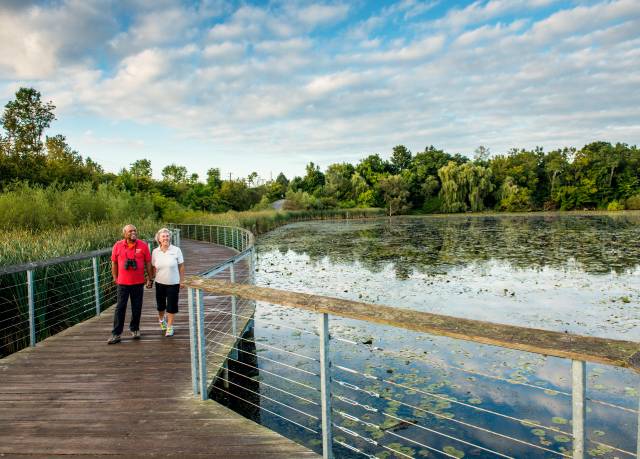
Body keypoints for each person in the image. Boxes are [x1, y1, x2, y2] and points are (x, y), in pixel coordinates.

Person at [108, 224, 152, 344]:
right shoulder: (117, 245)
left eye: (135, 230)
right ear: (124, 233)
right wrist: (115, 277)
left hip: (138, 282)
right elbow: (114, 263)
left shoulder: (143, 245)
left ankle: (135, 328)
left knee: (137, 307)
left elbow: (148, 262)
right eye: (130, 231)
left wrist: (149, 278)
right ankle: (116, 333)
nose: (133, 232)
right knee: (120, 307)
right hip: (123, 283)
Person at [151, 228, 184, 337]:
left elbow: (181, 266)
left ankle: (169, 327)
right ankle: (161, 320)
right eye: (163, 236)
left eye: (167, 236)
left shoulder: (176, 250)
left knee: (171, 305)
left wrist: (182, 280)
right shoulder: (155, 252)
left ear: (170, 237)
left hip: (173, 283)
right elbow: (153, 267)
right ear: (159, 239)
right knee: (161, 306)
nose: (165, 238)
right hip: (159, 282)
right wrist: (151, 279)